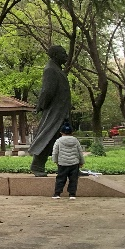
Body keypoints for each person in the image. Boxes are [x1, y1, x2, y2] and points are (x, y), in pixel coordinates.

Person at [28, 45, 71, 177]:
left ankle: (69, 167)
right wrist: (41, 106)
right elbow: (47, 91)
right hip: (55, 112)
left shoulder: (56, 69)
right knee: (48, 136)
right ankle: (37, 165)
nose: (66, 55)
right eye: (63, 53)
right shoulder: (50, 70)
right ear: (55, 55)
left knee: (66, 140)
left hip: (62, 111)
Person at [52, 123, 85, 200]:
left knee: (60, 179)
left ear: (61, 132)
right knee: (73, 180)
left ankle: (57, 194)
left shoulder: (59, 141)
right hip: (74, 163)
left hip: (62, 163)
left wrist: (55, 161)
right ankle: (72, 194)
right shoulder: (75, 140)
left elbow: (55, 152)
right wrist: (81, 162)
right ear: (72, 132)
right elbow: (80, 152)